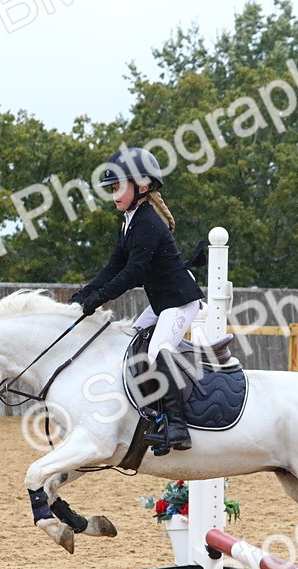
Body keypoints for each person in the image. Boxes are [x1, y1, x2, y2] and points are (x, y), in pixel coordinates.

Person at [70, 147, 204, 453]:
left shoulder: (148, 222)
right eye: (112, 188)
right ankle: (154, 414)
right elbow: (113, 266)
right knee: (132, 342)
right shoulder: (129, 221)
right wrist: (84, 294)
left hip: (181, 302)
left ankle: (178, 427)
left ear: (142, 186)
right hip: (162, 304)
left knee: (157, 350)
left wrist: (99, 299)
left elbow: (133, 272)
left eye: (119, 187)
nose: (115, 195)